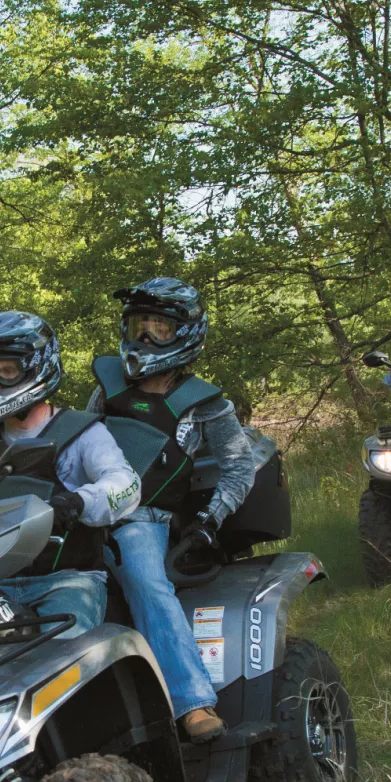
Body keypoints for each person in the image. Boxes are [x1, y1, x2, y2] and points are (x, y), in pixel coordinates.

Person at [86, 278, 257, 744]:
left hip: (146, 519)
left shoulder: (204, 403)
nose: (144, 339)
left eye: (158, 329)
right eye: (138, 326)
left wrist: (210, 521)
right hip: (88, 507)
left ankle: (192, 701)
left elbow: (240, 466)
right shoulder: (108, 385)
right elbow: (79, 444)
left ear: (185, 334)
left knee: (144, 579)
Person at [0, 311, 140, 637]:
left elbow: (126, 485)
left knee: (60, 662)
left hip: (69, 580)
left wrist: (77, 503)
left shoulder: (81, 432)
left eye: (5, 371)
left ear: (38, 367)